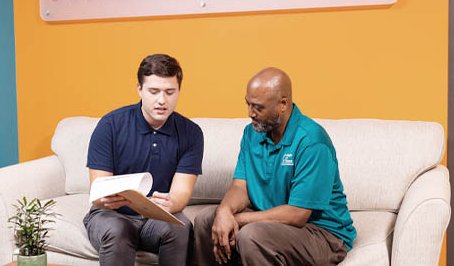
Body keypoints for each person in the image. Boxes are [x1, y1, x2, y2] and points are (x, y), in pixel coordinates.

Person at [194, 67, 356, 266]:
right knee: (205, 220)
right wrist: (224, 212)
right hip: (270, 223)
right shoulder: (251, 133)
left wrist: (236, 219)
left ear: (283, 104)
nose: (250, 113)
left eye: (258, 107)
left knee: (252, 235)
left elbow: (297, 214)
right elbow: (240, 187)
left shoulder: (312, 141)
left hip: (321, 233)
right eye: (248, 104)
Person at [83, 54, 204, 266]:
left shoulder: (191, 133)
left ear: (179, 91)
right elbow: (97, 190)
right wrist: (105, 199)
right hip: (110, 215)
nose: (161, 100)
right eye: (153, 91)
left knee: (181, 227)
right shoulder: (110, 125)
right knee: (119, 229)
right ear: (139, 89)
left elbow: (181, 192)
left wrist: (172, 202)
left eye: (169, 92)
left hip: (156, 219)